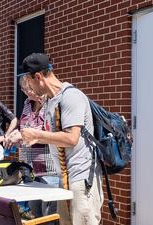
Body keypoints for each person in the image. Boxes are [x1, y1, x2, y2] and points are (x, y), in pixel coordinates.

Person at [19, 53, 103, 225]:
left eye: (29, 81)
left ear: (38, 76)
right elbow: (54, 136)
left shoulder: (71, 96)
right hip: (64, 178)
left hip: (82, 179)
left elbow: (72, 138)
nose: (29, 87)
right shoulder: (51, 100)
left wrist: (36, 134)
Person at [5, 77, 60, 222]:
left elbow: (49, 132)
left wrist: (22, 136)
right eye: (23, 90)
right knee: (35, 216)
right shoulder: (27, 103)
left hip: (49, 170)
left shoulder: (51, 103)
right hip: (30, 169)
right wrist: (13, 138)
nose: (27, 93)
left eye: (29, 89)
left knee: (49, 217)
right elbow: (24, 128)